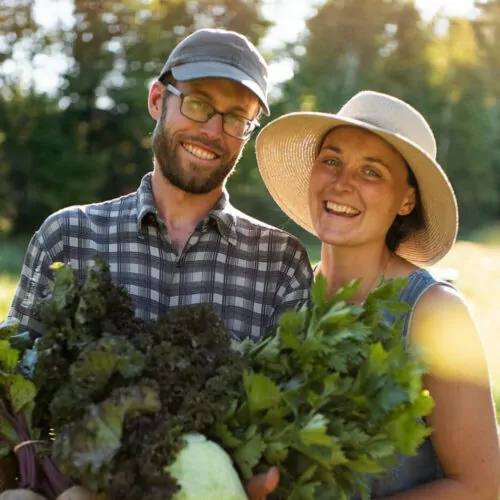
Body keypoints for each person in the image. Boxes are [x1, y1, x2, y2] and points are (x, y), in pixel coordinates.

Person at [255, 91, 500, 498]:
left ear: (406, 200)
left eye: (371, 172)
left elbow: (483, 486)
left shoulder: (433, 312)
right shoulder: (289, 296)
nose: (342, 183)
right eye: (331, 161)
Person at [8, 28, 312, 343]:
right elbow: (14, 380)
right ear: (157, 100)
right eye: (197, 104)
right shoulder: (68, 239)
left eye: (236, 118)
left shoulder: (281, 265)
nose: (212, 130)